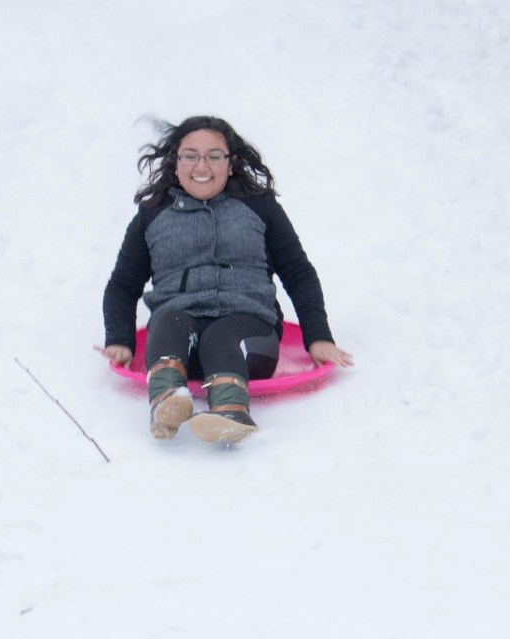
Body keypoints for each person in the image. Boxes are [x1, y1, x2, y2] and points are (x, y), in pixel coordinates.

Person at [101, 115, 353, 443]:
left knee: (220, 336)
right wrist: (119, 338)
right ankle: (166, 401)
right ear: (175, 163)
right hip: (178, 340)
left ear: (230, 164)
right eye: (190, 155)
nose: (201, 165)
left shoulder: (259, 208)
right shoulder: (154, 214)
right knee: (168, 320)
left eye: (214, 156)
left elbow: (298, 273)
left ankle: (230, 412)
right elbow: (122, 284)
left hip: (249, 333)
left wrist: (318, 336)